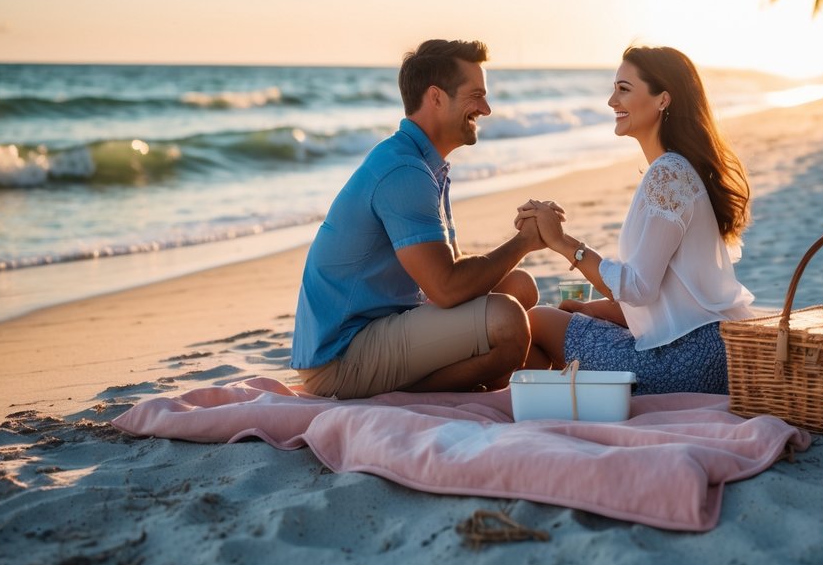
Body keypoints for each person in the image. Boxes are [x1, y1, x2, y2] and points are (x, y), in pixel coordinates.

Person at [291, 39, 544, 399]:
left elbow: (449, 272)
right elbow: (446, 288)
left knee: (520, 287)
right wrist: (524, 242)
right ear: (436, 97)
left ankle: (436, 383)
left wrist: (519, 244)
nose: (486, 108)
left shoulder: (425, 163)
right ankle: (408, 395)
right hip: (341, 358)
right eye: (476, 95)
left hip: (381, 327)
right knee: (508, 321)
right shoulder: (404, 170)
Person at [516, 45, 754, 394]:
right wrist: (590, 308)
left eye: (623, 89)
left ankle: (547, 415)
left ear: (663, 100)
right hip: (709, 349)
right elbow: (664, 292)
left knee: (535, 320)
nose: (612, 101)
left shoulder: (668, 175)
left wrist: (563, 243)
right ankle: (556, 409)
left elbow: (639, 288)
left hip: (687, 361)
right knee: (567, 314)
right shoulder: (679, 169)